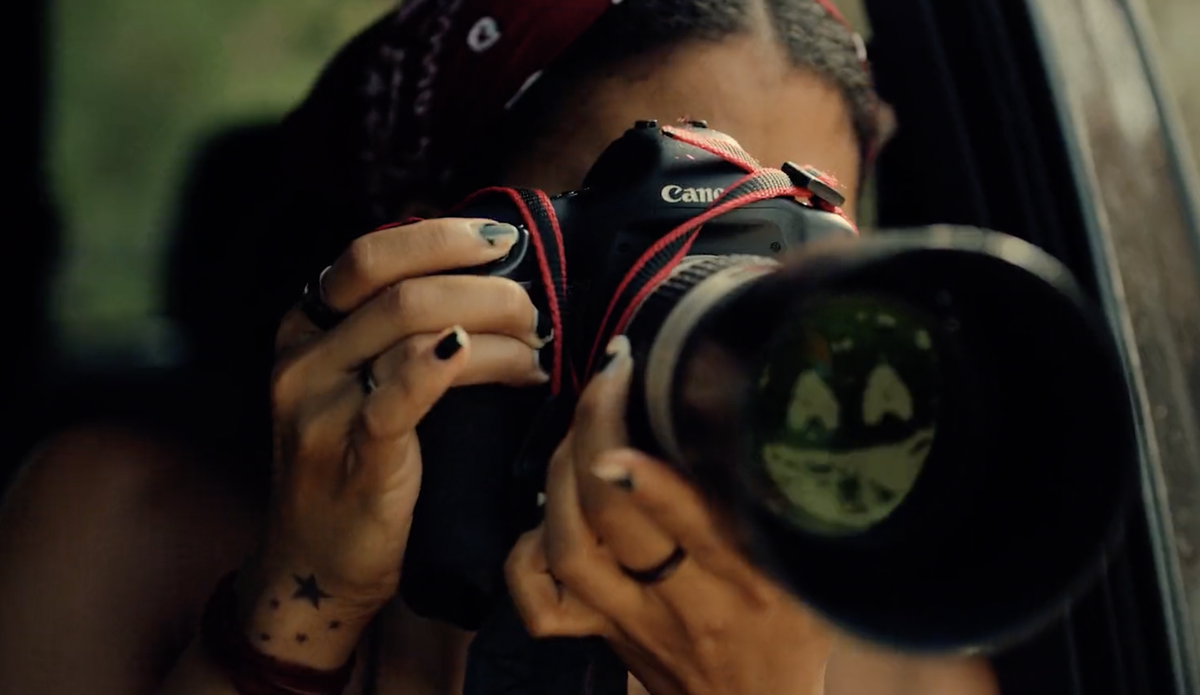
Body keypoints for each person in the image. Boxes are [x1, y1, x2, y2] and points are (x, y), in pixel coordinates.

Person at [0, 1, 1000, 694]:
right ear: (425, 249)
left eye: (794, 251)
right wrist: (296, 614)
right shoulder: (127, 529)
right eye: (652, 227)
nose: (735, 321)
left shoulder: (897, 653)